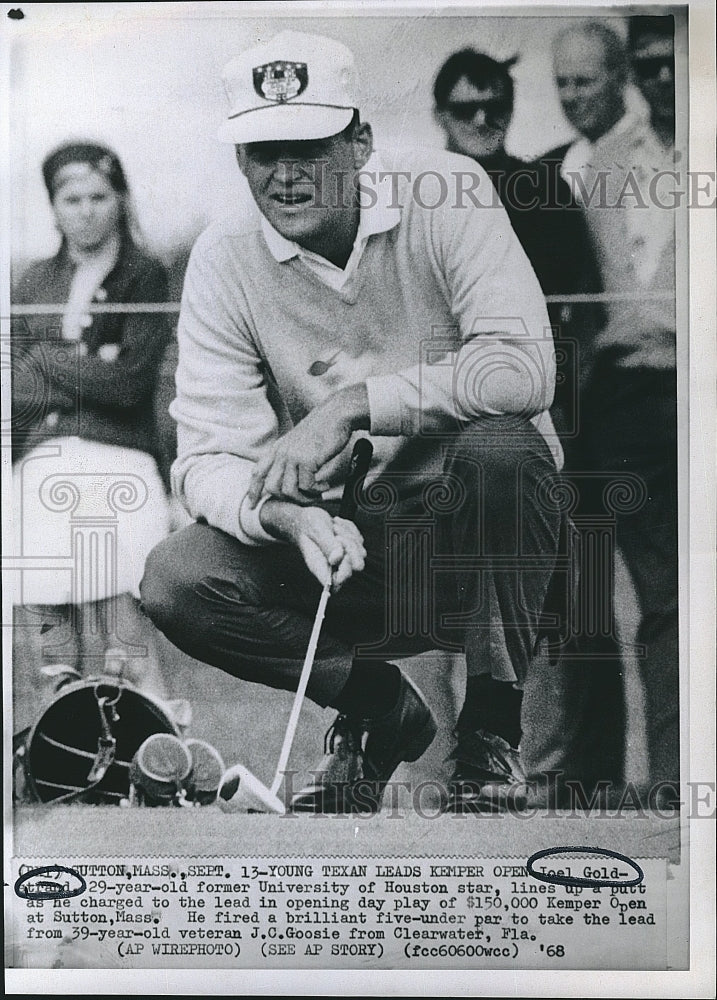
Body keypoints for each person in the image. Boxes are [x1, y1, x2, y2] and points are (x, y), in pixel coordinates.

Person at [141, 30, 566, 814]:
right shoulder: (221, 256)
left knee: (501, 444)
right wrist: (287, 517)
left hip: (486, 547)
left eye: (310, 143)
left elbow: (524, 367)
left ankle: (490, 730)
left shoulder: (452, 189)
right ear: (240, 161)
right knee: (176, 576)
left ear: (361, 140)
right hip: (349, 548)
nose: (285, 172)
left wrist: (351, 406)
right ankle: (378, 711)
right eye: (263, 150)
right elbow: (206, 456)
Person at [11, 141, 172, 732]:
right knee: (54, 640)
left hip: (118, 462)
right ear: (53, 208)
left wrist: (48, 363)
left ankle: (162, 754)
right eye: (70, 198)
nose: (85, 211)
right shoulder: (34, 281)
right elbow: (12, 390)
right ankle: (68, 752)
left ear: (120, 199)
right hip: (42, 464)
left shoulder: (145, 274)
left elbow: (130, 383)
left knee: (122, 632)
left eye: (99, 196)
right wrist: (85, 365)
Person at [577, 14, 679, 807]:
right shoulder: (605, 165)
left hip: (698, 387)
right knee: (654, 602)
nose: (665, 75)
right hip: (628, 403)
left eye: (676, 58)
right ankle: (667, 787)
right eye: (649, 62)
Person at [546, 20, 645, 200]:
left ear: (620, 79)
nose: (569, 96)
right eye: (561, 83)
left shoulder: (652, 151)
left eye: (583, 82)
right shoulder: (550, 166)